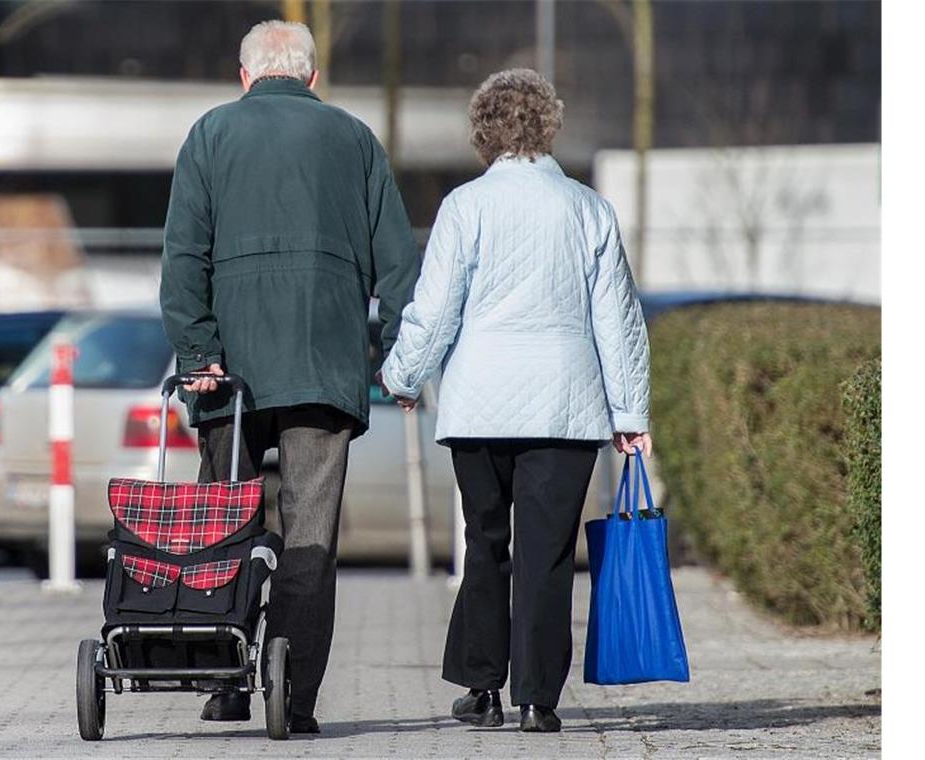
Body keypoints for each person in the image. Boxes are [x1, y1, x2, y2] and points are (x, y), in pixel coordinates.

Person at [160, 20, 419, 733]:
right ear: (310, 79)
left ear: (244, 76)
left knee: (226, 527)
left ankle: (226, 683)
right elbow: (399, 265)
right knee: (310, 536)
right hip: (324, 370)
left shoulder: (210, 135)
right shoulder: (355, 140)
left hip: (228, 379)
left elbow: (183, 260)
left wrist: (197, 351)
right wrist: (395, 357)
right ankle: (294, 697)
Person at [380, 68, 653, 733]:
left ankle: (483, 689)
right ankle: (537, 699)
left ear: (483, 130)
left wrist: (404, 376)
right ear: (548, 125)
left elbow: (436, 306)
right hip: (566, 403)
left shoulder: (466, 206)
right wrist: (629, 413)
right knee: (548, 553)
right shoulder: (588, 208)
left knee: (486, 543)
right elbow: (617, 320)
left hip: (480, 402)